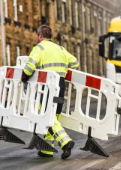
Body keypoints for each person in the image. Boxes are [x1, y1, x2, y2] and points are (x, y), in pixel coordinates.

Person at [22, 25, 79, 159]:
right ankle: (47, 150)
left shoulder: (39, 48)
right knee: (55, 115)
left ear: (40, 36)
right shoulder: (60, 49)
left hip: (46, 87)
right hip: (60, 85)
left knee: (47, 115)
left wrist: (25, 76)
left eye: (38, 36)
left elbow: (30, 65)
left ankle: (65, 142)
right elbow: (75, 63)